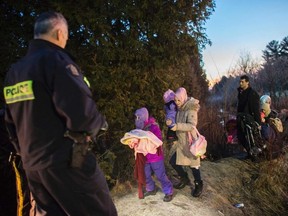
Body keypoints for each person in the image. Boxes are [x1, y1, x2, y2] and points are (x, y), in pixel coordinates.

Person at [3, 11, 117, 215]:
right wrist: (98, 123)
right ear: (58, 33)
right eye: (65, 35)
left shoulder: (14, 73)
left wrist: (25, 152)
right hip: (67, 161)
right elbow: (81, 113)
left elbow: (10, 122)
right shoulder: (56, 61)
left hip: (33, 168)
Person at [168, 87, 203, 197]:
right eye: (175, 100)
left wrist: (177, 126)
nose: (177, 102)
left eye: (178, 100)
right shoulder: (180, 108)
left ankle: (198, 184)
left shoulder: (191, 109)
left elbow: (192, 125)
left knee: (193, 165)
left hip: (190, 142)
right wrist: (170, 122)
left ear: (183, 98)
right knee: (173, 161)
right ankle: (184, 178)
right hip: (181, 142)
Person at [135, 107, 174, 202]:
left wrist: (148, 137)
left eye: (138, 117)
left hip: (155, 156)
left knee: (160, 175)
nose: (137, 119)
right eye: (136, 117)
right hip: (145, 157)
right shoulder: (139, 129)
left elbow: (158, 140)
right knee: (146, 174)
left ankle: (168, 192)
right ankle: (151, 189)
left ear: (144, 117)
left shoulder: (153, 126)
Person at [236, 75, 261, 156]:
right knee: (240, 136)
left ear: (247, 82)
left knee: (252, 136)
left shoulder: (252, 94)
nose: (240, 83)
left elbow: (256, 109)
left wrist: (258, 122)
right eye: (240, 82)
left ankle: (255, 154)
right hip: (241, 118)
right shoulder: (240, 92)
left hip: (250, 118)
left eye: (242, 82)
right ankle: (249, 152)